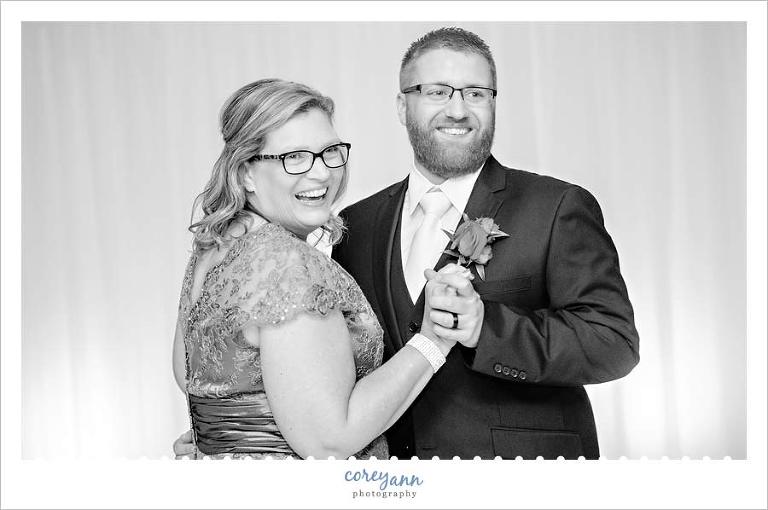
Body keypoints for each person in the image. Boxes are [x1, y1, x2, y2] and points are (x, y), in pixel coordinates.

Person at [331, 27, 640, 459]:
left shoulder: (557, 207)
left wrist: (485, 329)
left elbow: (614, 343)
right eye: (437, 92)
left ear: (493, 103)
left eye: (476, 93)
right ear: (402, 105)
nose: (458, 110)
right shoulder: (356, 225)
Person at [171, 78, 479, 459]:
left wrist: (226, 444)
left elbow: (191, 377)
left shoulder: (212, 251)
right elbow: (330, 441)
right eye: (294, 157)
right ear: (245, 172)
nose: (321, 173)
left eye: (330, 151)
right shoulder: (288, 264)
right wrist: (433, 340)